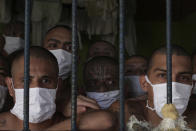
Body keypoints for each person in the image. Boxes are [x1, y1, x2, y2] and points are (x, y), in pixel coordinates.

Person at [0, 46, 117, 130]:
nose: (37, 87)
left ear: (58, 85)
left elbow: (106, 120)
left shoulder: (69, 120)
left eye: (46, 81)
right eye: (26, 80)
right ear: (11, 86)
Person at [110, 45, 196, 129]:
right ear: (145, 83)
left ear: (192, 86)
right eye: (162, 75)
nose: (173, 85)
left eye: (184, 77)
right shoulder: (126, 112)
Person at [43, 25, 100, 118]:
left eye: (70, 48)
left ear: (78, 59)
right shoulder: (21, 89)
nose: (61, 52)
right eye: (53, 45)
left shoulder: (82, 95)